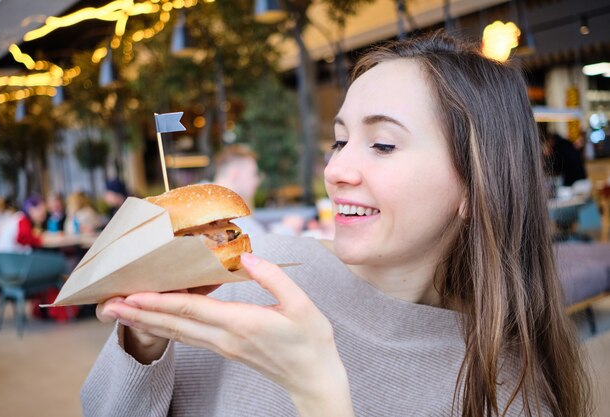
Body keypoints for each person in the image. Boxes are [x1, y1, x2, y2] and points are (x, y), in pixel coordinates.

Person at [81, 33, 589, 416]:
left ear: (476, 186)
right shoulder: (249, 276)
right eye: (340, 141)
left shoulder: (508, 388)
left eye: (383, 144)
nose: (336, 170)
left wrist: (316, 390)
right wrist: (145, 346)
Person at [212, 144, 267, 236]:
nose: (256, 181)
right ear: (234, 173)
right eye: (253, 174)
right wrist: (287, 229)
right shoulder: (222, 209)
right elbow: (257, 244)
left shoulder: (228, 204)